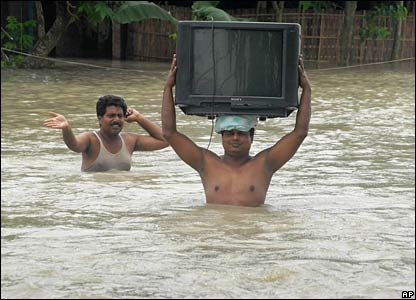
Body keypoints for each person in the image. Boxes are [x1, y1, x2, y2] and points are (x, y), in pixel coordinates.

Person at [162, 54, 311, 207]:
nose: (235, 138)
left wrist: (306, 89)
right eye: (230, 133)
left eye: (241, 133)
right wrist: (168, 88)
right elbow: (169, 133)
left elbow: (300, 132)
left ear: (251, 136)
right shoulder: (205, 163)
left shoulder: (265, 163)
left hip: (250, 229)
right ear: (221, 136)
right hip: (216, 229)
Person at [43, 95, 168, 172]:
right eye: (111, 116)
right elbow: (74, 145)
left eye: (120, 116)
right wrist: (66, 129)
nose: (117, 120)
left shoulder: (130, 140)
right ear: (100, 119)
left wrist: (139, 118)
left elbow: (165, 141)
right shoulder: (90, 139)